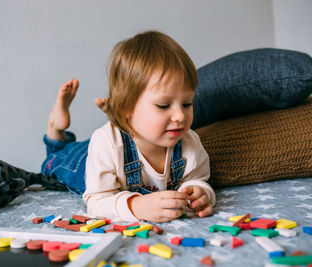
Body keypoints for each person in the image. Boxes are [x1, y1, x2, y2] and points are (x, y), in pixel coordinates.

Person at [41, 30, 215, 223]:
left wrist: (198, 193)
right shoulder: (105, 143)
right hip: (90, 159)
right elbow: (97, 201)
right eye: (163, 105)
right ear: (128, 106)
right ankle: (56, 130)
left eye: (187, 103)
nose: (180, 116)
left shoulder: (190, 143)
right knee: (56, 163)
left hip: (122, 138)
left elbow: (197, 179)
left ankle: (118, 114)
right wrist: (136, 206)